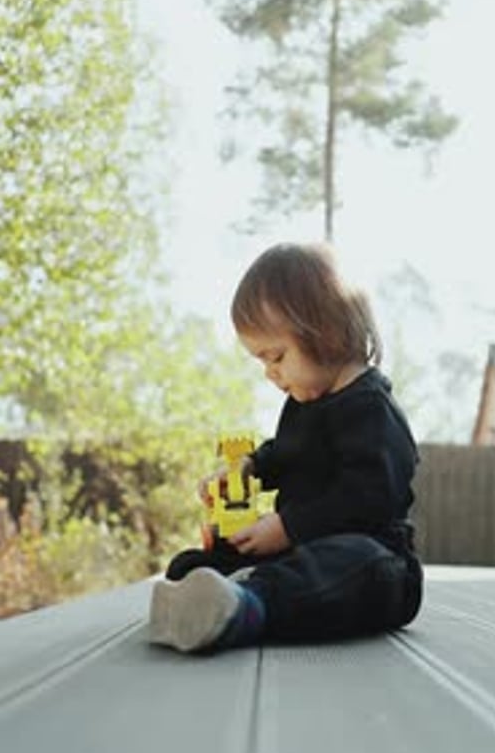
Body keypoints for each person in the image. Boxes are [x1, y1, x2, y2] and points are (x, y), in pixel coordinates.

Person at [149, 242, 423, 653]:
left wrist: (289, 527)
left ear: (326, 332)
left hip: (372, 557)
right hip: (301, 552)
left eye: (275, 356)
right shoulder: (302, 404)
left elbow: (368, 496)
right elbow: (285, 453)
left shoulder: (371, 410)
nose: (269, 373)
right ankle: (219, 598)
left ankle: (249, 607)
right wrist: (249, 469)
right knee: (191, 565)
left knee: (360, 563)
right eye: (262, 361)